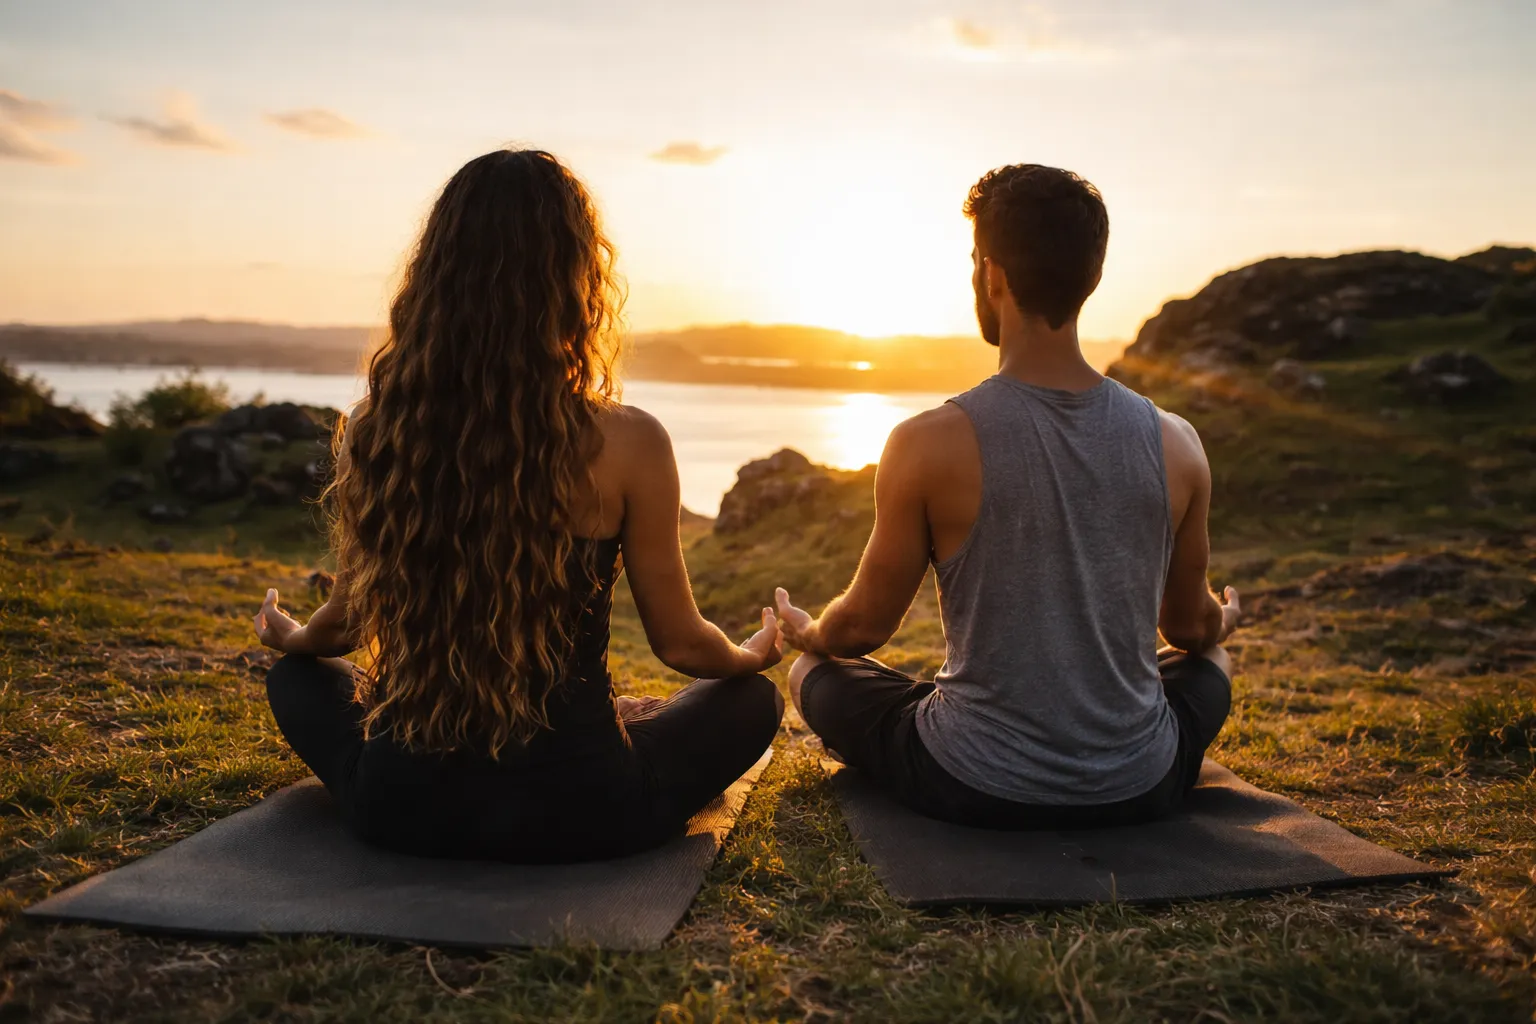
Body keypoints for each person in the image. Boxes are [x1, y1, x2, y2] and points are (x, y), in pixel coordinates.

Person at [253, 149, 784, 863]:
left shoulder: (380, 430)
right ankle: (616, 728)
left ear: (436, 278)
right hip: (587, 813)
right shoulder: (630, 441)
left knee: (296, 683)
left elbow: (343, 624)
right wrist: (745, 656)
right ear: (576, 280)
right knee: (752, 703)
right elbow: (682, 645)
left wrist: (292, 641)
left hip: (404, 808)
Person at [774, 164, 1240, 830]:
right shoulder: (1179, 442)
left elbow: (861, 631)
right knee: (1212, 663)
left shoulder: (925, 441)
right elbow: (1192, 631)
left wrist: (809, 633)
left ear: (990, 275)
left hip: (972, 782)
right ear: (1093, 276)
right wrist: (1225, 619)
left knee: (811, 676)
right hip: (1140, 783)